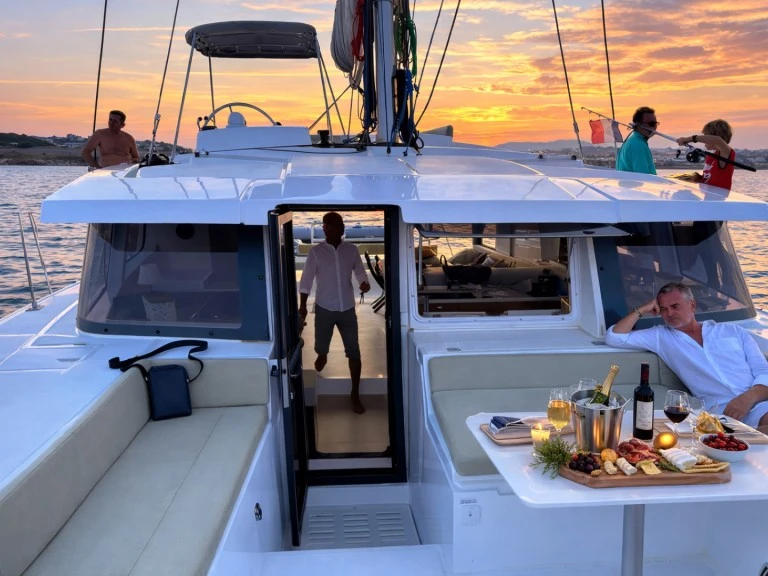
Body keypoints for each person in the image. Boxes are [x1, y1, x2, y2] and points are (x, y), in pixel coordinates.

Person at [605, 282, 768, 432]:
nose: (669, 313)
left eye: (675, 306)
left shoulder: (733, 331)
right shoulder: (661, 336)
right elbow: (615, 337)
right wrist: (643, 308)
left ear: (692, 305)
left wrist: (748, 398)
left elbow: (763, 371)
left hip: (759, 401)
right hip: (721, 413)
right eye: (663, 309)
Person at [298, 212, 371, 414]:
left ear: (341, 228)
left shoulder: (351, 250)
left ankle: (355, 393)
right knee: (321, 347)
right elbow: (306, 280)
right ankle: (323, 355)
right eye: (328, 225)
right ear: (324, 228)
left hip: (347, 308)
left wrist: (364, 283)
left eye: (336, 225)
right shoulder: (316, 252)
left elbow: (359, 271)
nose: (330, 229)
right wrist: (302, 306)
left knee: (354, 351)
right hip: (324, 308)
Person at [674, 119, 735, 191]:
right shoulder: (711, 156)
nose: (704, 141)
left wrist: (687, 139)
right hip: (707, 196)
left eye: (706, 137)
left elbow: (717, 140)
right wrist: (698, 178)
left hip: (718, 197)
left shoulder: (726, 152)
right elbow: (711, 178)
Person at [616, 106, 658, 175]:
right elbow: (644, 177)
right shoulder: (638, 144)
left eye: (655, 124)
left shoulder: (632, 139)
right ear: (638, 125)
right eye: (651, 124)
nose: (653, 127)